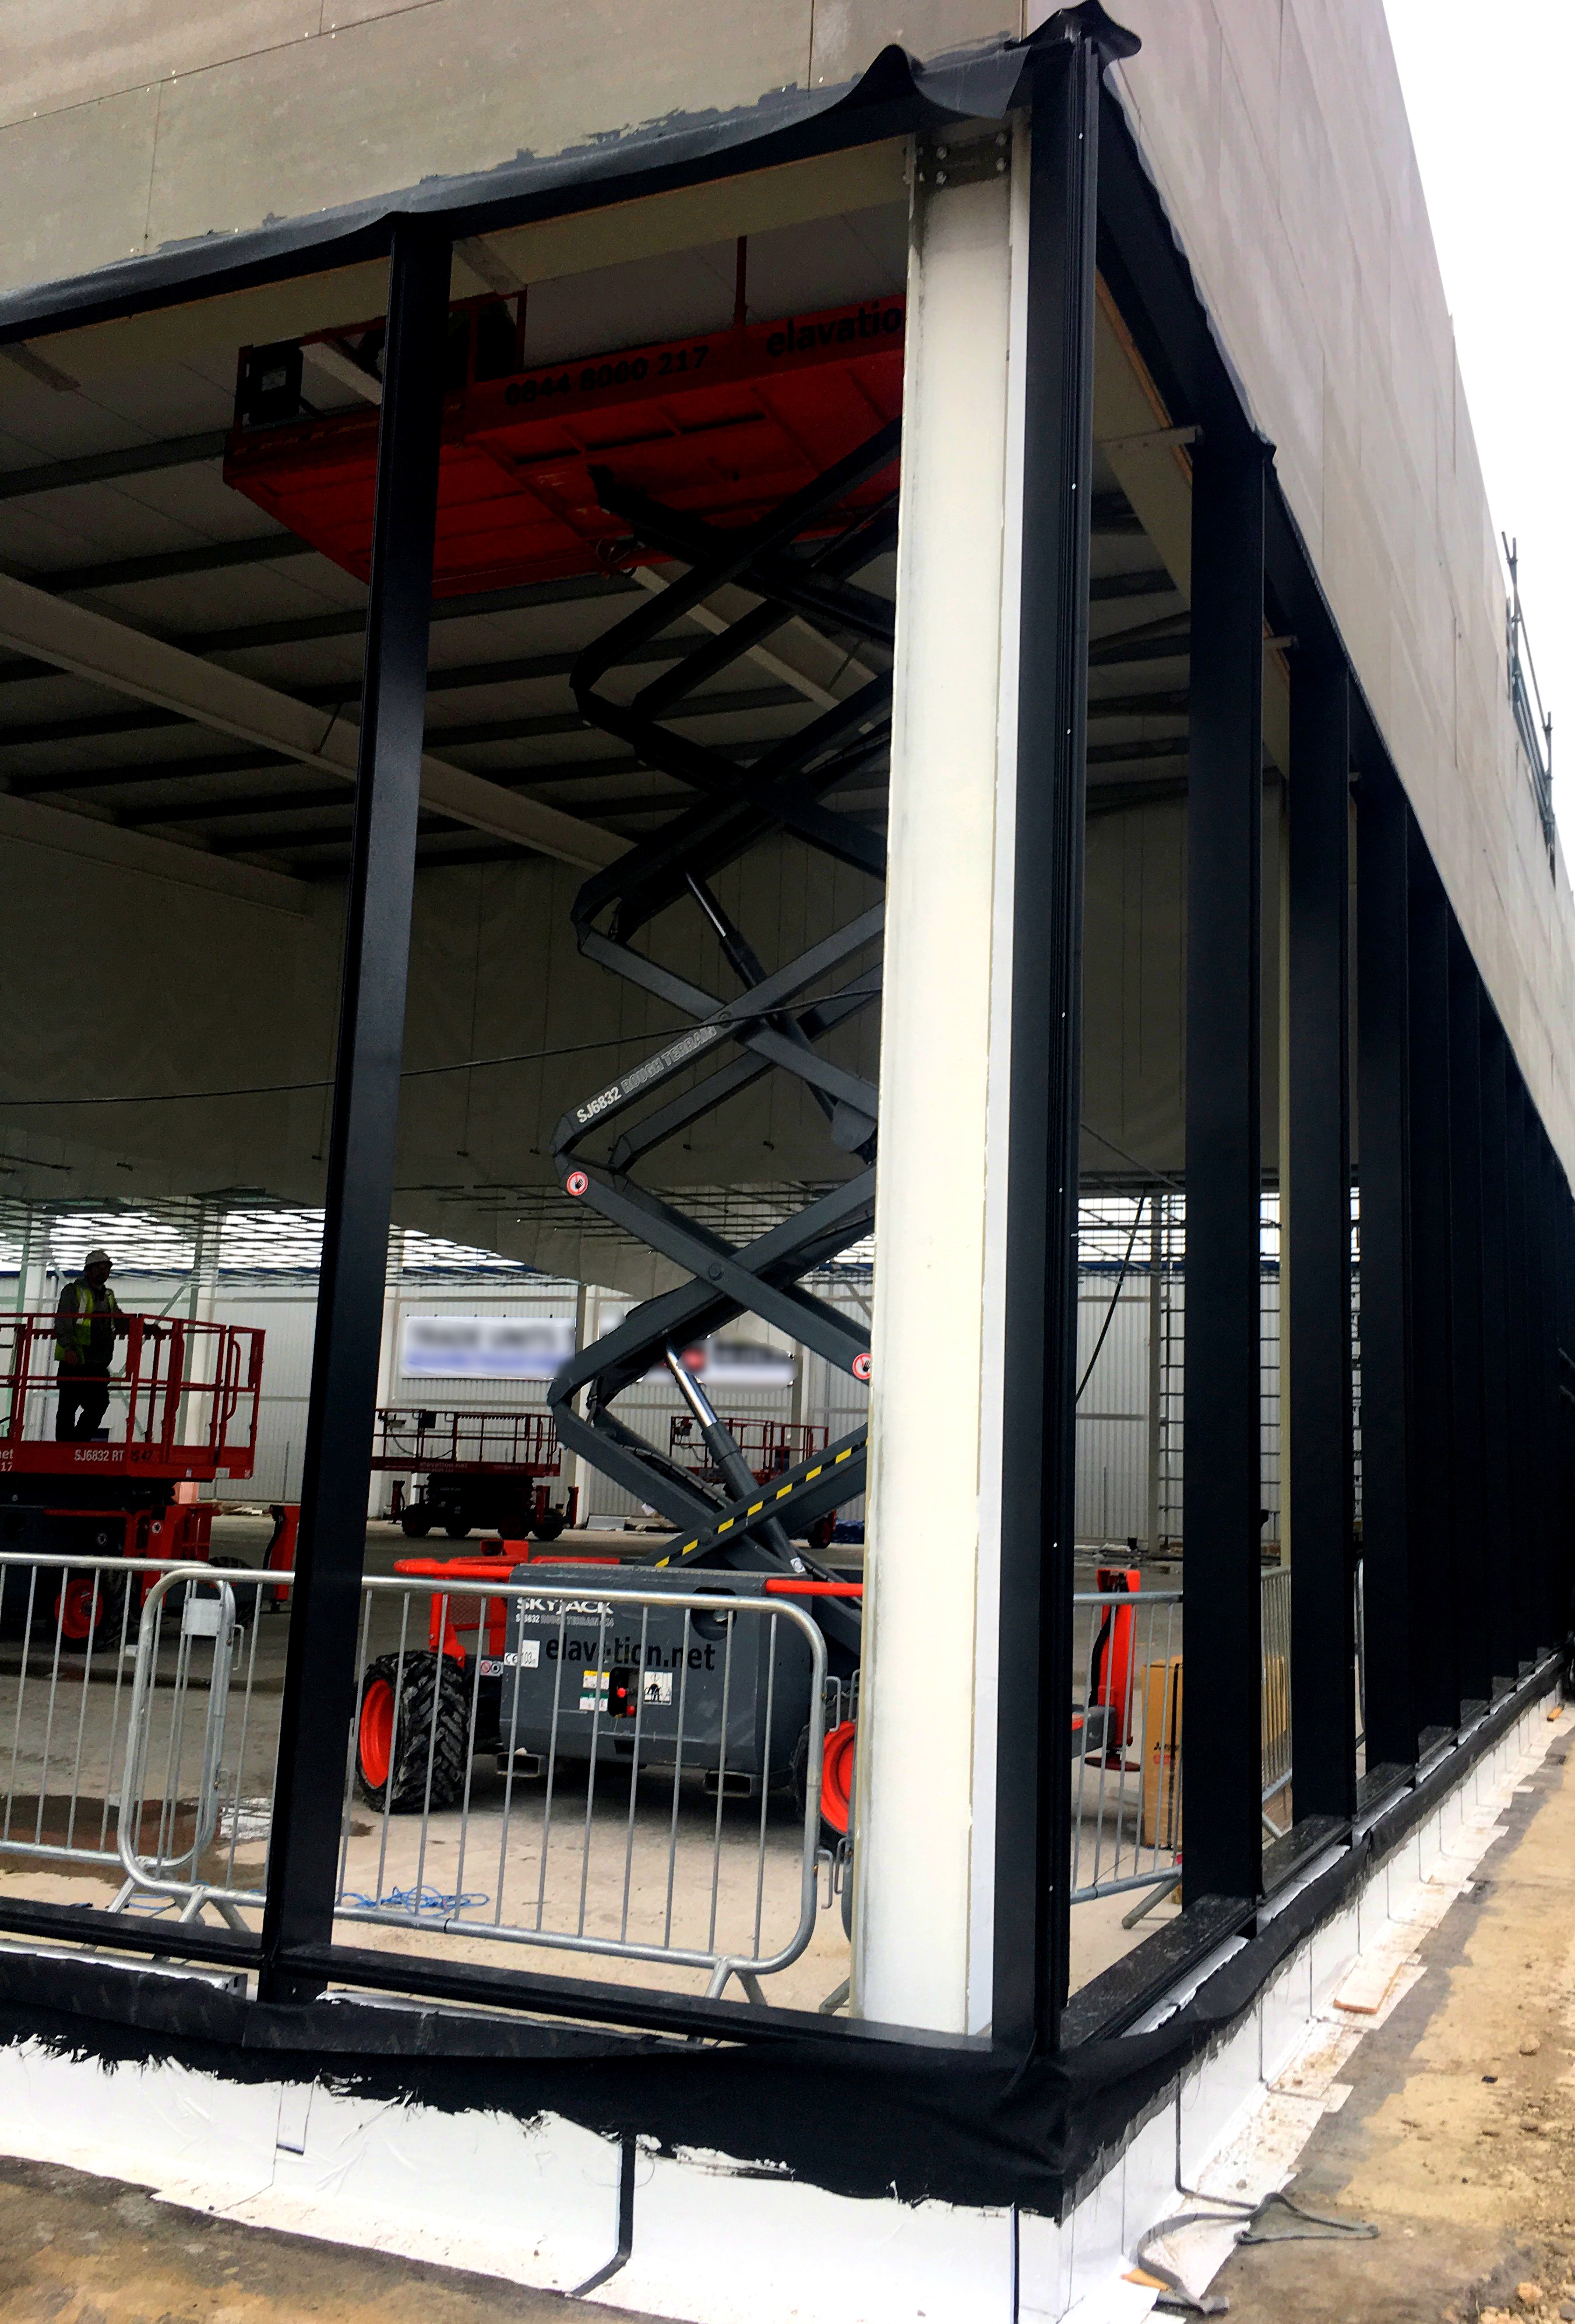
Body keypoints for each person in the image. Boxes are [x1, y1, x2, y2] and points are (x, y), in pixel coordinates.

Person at [55, 1248, 128, 1443]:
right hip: (76, 1360)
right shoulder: (73, 1292)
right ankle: (64, 1448)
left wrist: (144, 1327)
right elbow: (63, 1321)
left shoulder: (108, 1296)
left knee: (99, 1404)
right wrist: (69, 1348)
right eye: (99, 1268)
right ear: (88, 1270)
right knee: (68, 1407)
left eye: (107, 1268)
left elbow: (120, 1320)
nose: (104, 1272)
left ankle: (76, 1444)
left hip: (97, 1363)